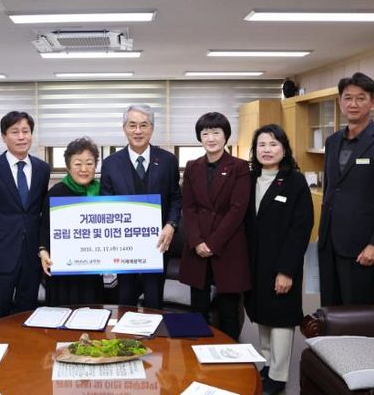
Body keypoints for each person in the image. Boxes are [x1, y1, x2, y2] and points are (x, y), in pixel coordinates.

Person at [319, 72, 374, 306]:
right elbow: (331, 189)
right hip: (329, 242)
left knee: (357, 312)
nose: (353, 104)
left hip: (361, 245)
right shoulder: (332, 141)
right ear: (340, 102)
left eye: (361, 98)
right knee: (330, 309)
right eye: (348, 98)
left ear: (373, 102)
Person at [244, 124, 314, 395]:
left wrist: (286, 271)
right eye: (261, 145)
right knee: (262, 313)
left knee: (281, 318)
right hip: (255, 262)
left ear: (284, 149)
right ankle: (267, 363)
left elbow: (301, 228)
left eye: (273, 144)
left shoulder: (295, 181)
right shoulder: (250, 179)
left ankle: (278, 374)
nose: (267, 150)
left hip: (282, 262)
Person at [100, 104, 181, 309]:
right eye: (132, 125)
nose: (138, 131)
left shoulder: (168, 161)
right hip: (124, 247)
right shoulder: (110, 163)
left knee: (154, 302)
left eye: (144, 125)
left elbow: (175, 198)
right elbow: (106, 203)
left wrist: (171, 224)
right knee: (125, 300)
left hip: (158, 244)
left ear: (152, 128)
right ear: (124, 128)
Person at [179, 112, 251, 340]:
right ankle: (196, 353)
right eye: (205, 133)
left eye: (216, 133)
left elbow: (237, 210)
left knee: (228, 310)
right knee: (197, 311)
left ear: (226, 136)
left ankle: (229, 354)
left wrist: (212, 243)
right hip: (197, 246)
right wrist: (197, 241)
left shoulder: (239, 167)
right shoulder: (192, 167)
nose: (211, 138)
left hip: (227, 246)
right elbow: (188, 207)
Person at [0, 111, 50, 320]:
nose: (21, 137)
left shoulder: (43, 169)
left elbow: (39, 209)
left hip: (31, 256)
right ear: (3, 137)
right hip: (0, 254)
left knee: (28, 314)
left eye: (26, 131)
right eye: (15, 132)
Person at [38, 137, 104, 305]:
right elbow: (45, 228)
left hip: (92, 270)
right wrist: (43, 252)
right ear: (68, 166)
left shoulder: (103, 193)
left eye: (89, 163)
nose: (84, 169)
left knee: (92, 313)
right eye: (78, 164)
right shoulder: (56, 193)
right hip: (63, 271)